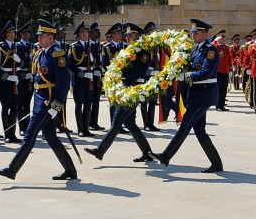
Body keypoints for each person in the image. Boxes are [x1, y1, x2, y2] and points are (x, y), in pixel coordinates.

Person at [0, 19, 79, 181]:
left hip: (47, 104)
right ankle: (70, 170)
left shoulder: (57, 54)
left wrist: (58, 104)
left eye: (42, 36)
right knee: (51, 137)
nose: (39, 38)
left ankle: (12, 169)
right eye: (39, 36)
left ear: (50, 37)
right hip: (39, 100)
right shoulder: (42, 53)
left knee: (29, 135)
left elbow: (63, 82)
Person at [153, 18, 224, 173]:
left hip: (203, 96)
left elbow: (205, 72)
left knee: (185, 126)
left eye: (196, 33)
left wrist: (185, 76)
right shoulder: (195, 49)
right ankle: (217, 164)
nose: (193, 35)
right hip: (195, 95)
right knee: (200, 131)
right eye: (192, 32)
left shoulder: (210, 50)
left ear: (205, 34)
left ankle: (166, 156)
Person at [85, 23, 156, 163]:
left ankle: (100, 150)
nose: (127, 37)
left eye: (131, 35)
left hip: (133, 90)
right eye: (127, 35)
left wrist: (121, 83)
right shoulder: (130, 50)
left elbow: (137, 73)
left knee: (116, 121)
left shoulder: (143, 52)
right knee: (130, 123)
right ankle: (147, 152)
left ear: (138, 36)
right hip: (127, 88)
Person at [0, 21, 24, 143]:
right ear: (7, 34)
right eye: (11, 32)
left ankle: (13, 134)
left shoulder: (19, 47)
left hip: (17, 80)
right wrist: (7, 77)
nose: (13, 34)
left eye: (14, 31)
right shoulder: (0, 47)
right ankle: (7, 134)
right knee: (6, 108)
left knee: (15, 108)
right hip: (6, 82)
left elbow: (24, 64)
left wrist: (19, 60)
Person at [68, 22, 96, 137]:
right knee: (79, 104)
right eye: (83, 32)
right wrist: (83, 74)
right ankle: (80, 129)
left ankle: (86, 128)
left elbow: (97, 61)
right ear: (78, 35)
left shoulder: (92, 45)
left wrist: (93, 62)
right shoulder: (74, 47)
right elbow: (70, 64)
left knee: (88, 104)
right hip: (79, 79)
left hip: (90, 78)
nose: (85, 34)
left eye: (86, 32)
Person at [213, 29, 232, 111]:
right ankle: (218, 105)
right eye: (221, 38)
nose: (223, 39)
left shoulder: (226, 47)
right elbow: (211, 48)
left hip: (225, 70)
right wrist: (215, 41)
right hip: (218, 70)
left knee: (224, 88)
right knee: (218, 88)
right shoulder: (215, 46)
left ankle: (222, 104)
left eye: (224, 38)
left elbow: (229, 58)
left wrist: (231, 68)